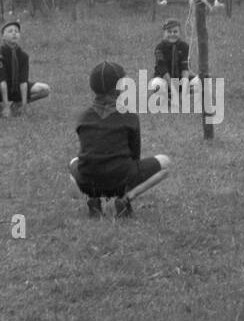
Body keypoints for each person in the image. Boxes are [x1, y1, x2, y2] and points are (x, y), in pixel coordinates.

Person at [69, 61, 170, 218]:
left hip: (89, 180)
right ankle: (125, 199)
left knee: (72, 163)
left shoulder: (82, 117)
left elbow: (86, 151)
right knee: (165, 163)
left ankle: (92, 200)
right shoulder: (129, 117)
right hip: (121, 178)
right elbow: (134, 154)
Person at [0, 20, 50, 117]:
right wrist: (6, 105)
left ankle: (16, 107)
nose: (14, 33)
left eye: (16, 31)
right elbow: (2, 81)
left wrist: (23, 105)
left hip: (17, 87)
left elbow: (23, 82)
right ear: (3, 37)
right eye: (10, 31)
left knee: (45, 89)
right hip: (1, 86)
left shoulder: (23, 56)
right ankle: (1, 108)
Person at [147, 19, 198, 101]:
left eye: (175, 32)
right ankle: (168, 96)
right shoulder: (159, 48)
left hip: (181, 79)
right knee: (156, 84)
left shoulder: (184, 46)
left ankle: (185, 96)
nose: (172, 34)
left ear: (179, 33)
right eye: (169, 32)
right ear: (164, 33)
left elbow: (185, 69)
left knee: (199, 82)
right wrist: (173, 90)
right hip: (165, 79)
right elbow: (163, 70)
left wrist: (184, 90)